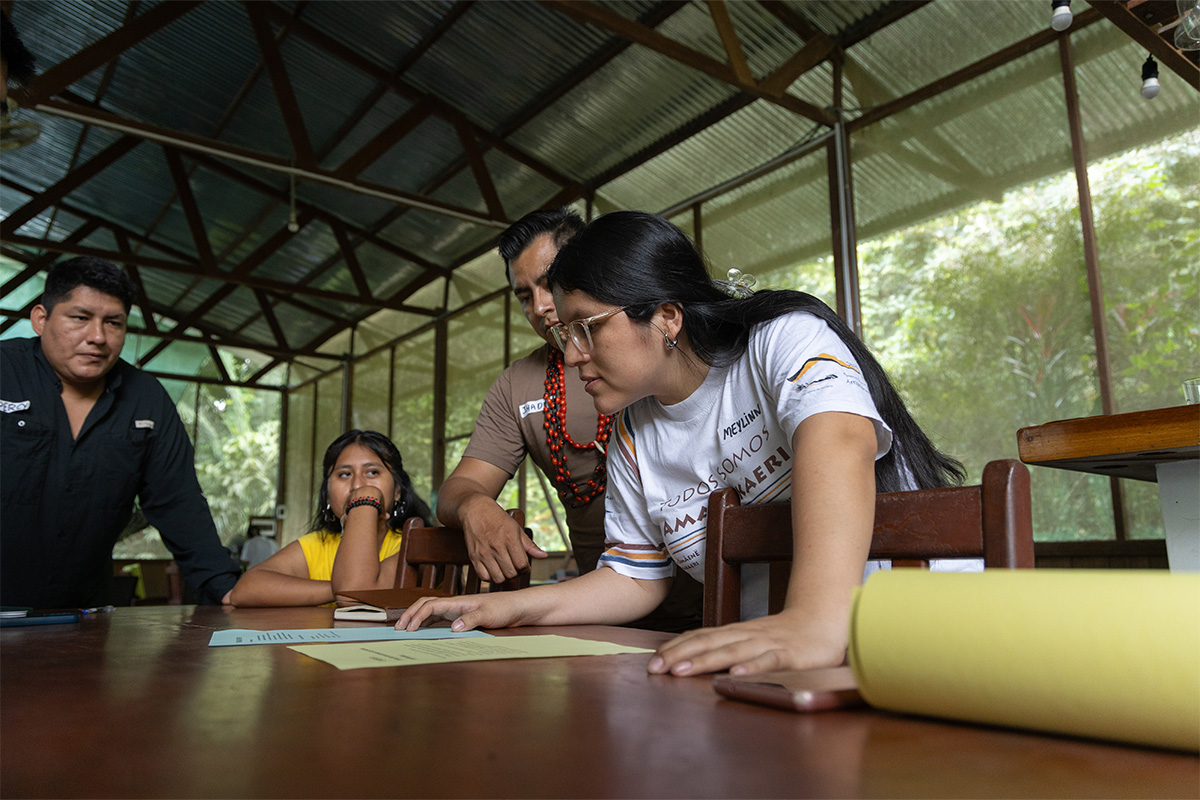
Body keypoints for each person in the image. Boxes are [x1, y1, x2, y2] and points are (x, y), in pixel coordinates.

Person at [399, 211, 964, 677]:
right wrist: (502, 606)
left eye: (586, 328)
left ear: (666, 316)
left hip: (927, 644)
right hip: (779, 665)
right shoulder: (631, 432)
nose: (571, 355)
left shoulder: (779, 339)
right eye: (563, 334)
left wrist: (814, 619)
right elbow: (633, 577)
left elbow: (839, 440)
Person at [435, 207, 703, 632]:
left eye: (549, 282)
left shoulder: (657, 355)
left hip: (722, 606)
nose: (541, 306)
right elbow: (459, 486)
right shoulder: (517, 386)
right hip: (605, 611)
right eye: (524, 295)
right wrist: (475, 508)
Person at [0, 257, 241, 607]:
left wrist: (225, 588)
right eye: (80, 318)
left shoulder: (146, 400)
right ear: (41, 319)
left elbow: (178, 503)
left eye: (113, 323)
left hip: (82, 616)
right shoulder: (5, 371)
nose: (97, 337)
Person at [229, 430, 431, 607]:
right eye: (344, 474)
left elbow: (356, 595)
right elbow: (244, 590)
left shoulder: (418, 544)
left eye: (372, 472)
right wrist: (338, 589)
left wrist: (365, 499)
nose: (357, 485)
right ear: (327, 495)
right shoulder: (317, 545)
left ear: (397, 491)